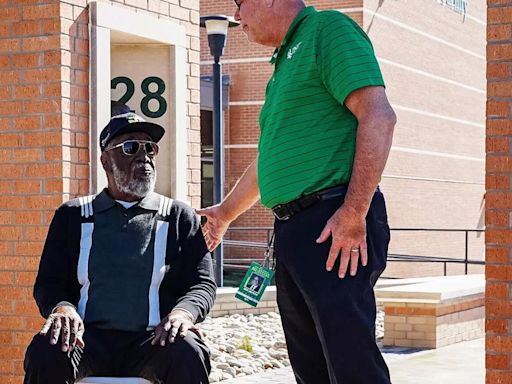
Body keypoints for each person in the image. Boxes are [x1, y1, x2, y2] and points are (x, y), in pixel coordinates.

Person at [197, 1, 396, 383]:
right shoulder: (282, 62)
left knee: (350, 363)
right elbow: (269, 159)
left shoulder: (328, 30)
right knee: (311, 368)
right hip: (294, 230)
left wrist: (354, 213)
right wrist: (224, 213)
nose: (237, 17)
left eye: (241, 5)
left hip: (333, 222)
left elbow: (379, 117)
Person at [24, 108, 216, 384]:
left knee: (188, 350)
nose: (144, 155)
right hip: (86, 341)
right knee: (46, 349)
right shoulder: (72, 216)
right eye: (130, 147)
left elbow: (202, 282)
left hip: (153, 341)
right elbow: (49, 283)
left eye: (150, 148)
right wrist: (62, 308)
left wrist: (183, 313)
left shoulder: (178, 216)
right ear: (105, 160)